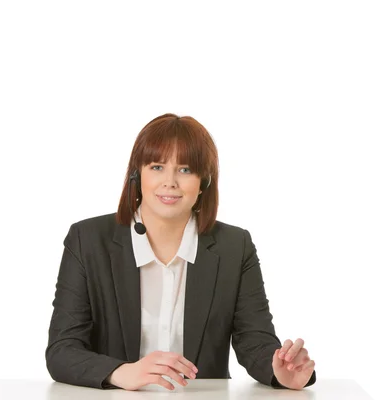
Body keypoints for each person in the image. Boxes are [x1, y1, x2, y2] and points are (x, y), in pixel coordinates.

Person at [45, 113, 316, 391]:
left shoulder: (235, 246)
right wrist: (121, 373)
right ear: (137, 175)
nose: (170, 182)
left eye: (185, 169)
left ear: (204, 182)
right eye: (157, 167)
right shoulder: (88, 240)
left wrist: (280, 370)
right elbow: (62, 350)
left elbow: (254, 341)